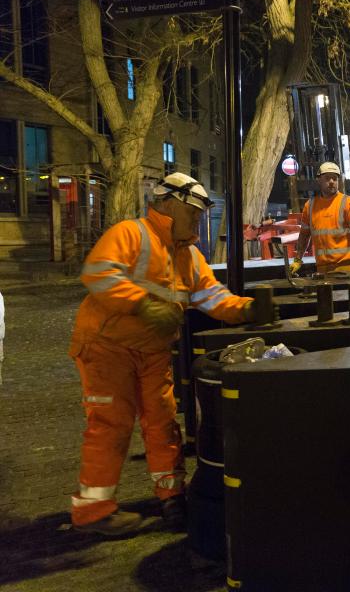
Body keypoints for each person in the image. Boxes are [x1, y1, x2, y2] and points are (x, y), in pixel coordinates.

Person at [69, 172, 256, 535]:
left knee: (163, 422)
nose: (198, 220)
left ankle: (171, 497)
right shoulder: (131, 233)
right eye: (194, 212)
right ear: (169, 205)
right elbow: (98, 274)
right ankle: (92, 512)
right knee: (110, 425)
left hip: (152, 351)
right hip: (108, 348)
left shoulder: (188, 255)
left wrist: (246, 309)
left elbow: (211, 297)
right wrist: (142, 305)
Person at [290, 162, 350, 275]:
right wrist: (298, 259)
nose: (331, 182)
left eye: (334, 178)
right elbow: (304, 235)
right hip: (322, 269)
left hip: (345, 267)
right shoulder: (309, 206)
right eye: (327, 178)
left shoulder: (348, 203)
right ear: (319, 180)